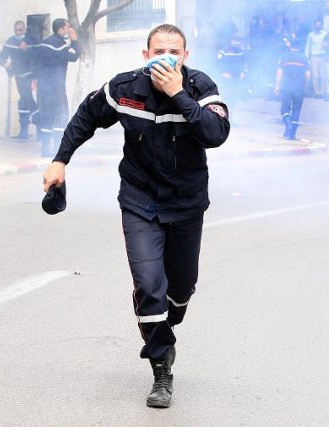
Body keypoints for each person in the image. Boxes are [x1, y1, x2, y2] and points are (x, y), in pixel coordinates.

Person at [42, 24, 230, 409]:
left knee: (180, 290)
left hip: (187, 204)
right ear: (145, 56)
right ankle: (162, 368)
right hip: (140, 199)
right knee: (148, 286)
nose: (166, 58)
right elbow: (86, 117)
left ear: (185, 57)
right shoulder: (126, 88)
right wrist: (60, 160)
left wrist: (177, 94)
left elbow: (216, 133)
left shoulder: (200, 87)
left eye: (174, 52)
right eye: (158, 51)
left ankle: (164, 322)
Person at [34, 18, 80, 157]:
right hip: (56, 87)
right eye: (67, 27)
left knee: (46, 116)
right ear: (60, 29)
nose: (69, 30)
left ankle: (45, 149)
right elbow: (74, 56)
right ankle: (56, 148)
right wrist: (75, 40)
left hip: (43, 86)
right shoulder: (60, 45)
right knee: (62, 114)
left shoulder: (44, 43)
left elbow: (36, 62)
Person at [0, 20, 38, 140]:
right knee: (23, 102)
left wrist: (27, 50)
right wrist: (5, 63)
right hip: (18, 75)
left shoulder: (31, 41)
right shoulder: (11, 41)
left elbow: (38, 55)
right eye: (16, 30)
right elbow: (0, 56)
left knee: (27, 99)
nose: (18, 32)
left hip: (30, 75)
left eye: (20, 30)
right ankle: (24, 132)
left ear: (25, 30)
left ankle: (41, 124)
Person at [275, 36, 310, 140]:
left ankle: (288, 124)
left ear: (290, 45)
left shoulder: (284, 56)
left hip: (286, 87)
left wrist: (277, 86)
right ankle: (291, 134)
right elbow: (308, 74)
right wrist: (305, 86)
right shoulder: (304, 58)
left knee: (284, 109)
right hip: (299, 88)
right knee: (296, 110)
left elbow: (279, 73)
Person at [304, 20, 327, 98]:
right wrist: (307, 58)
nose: (318, 26)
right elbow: (307, 46)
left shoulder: (325, 34)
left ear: (321, 26)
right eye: (316, 25)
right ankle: (317, 92)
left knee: (323, 75)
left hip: (323, 56)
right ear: (314, 25)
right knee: (315, 75)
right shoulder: (310, 35)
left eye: (319, 25)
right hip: (314, 57)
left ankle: (323, 92)